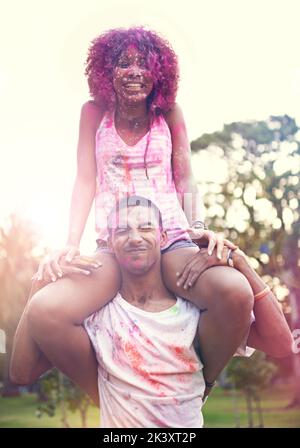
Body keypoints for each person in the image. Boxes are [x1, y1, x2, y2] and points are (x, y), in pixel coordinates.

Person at [18, 26, 266, 393]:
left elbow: (186, 178)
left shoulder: (170, 113)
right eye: (123, 63)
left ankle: (203, 382)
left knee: (235, 291)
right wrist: (71, 242)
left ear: (159, 73)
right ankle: (108, 396)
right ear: (106, 72)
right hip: (114, 243)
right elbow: (85, 180)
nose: (134, 71)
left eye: (144, 64)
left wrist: (198, 228)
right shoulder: (92, 114)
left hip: (171, 238)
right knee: (47, 308)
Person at [10, 196, 293, 428]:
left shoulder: (197, 312)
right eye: (122, 230)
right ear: (108, 242)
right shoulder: (96, 318)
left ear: (163, 236)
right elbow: (22, 373)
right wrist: (40, 283)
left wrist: (243, 264)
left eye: (145, 228)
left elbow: (280, 344)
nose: (134, 238)